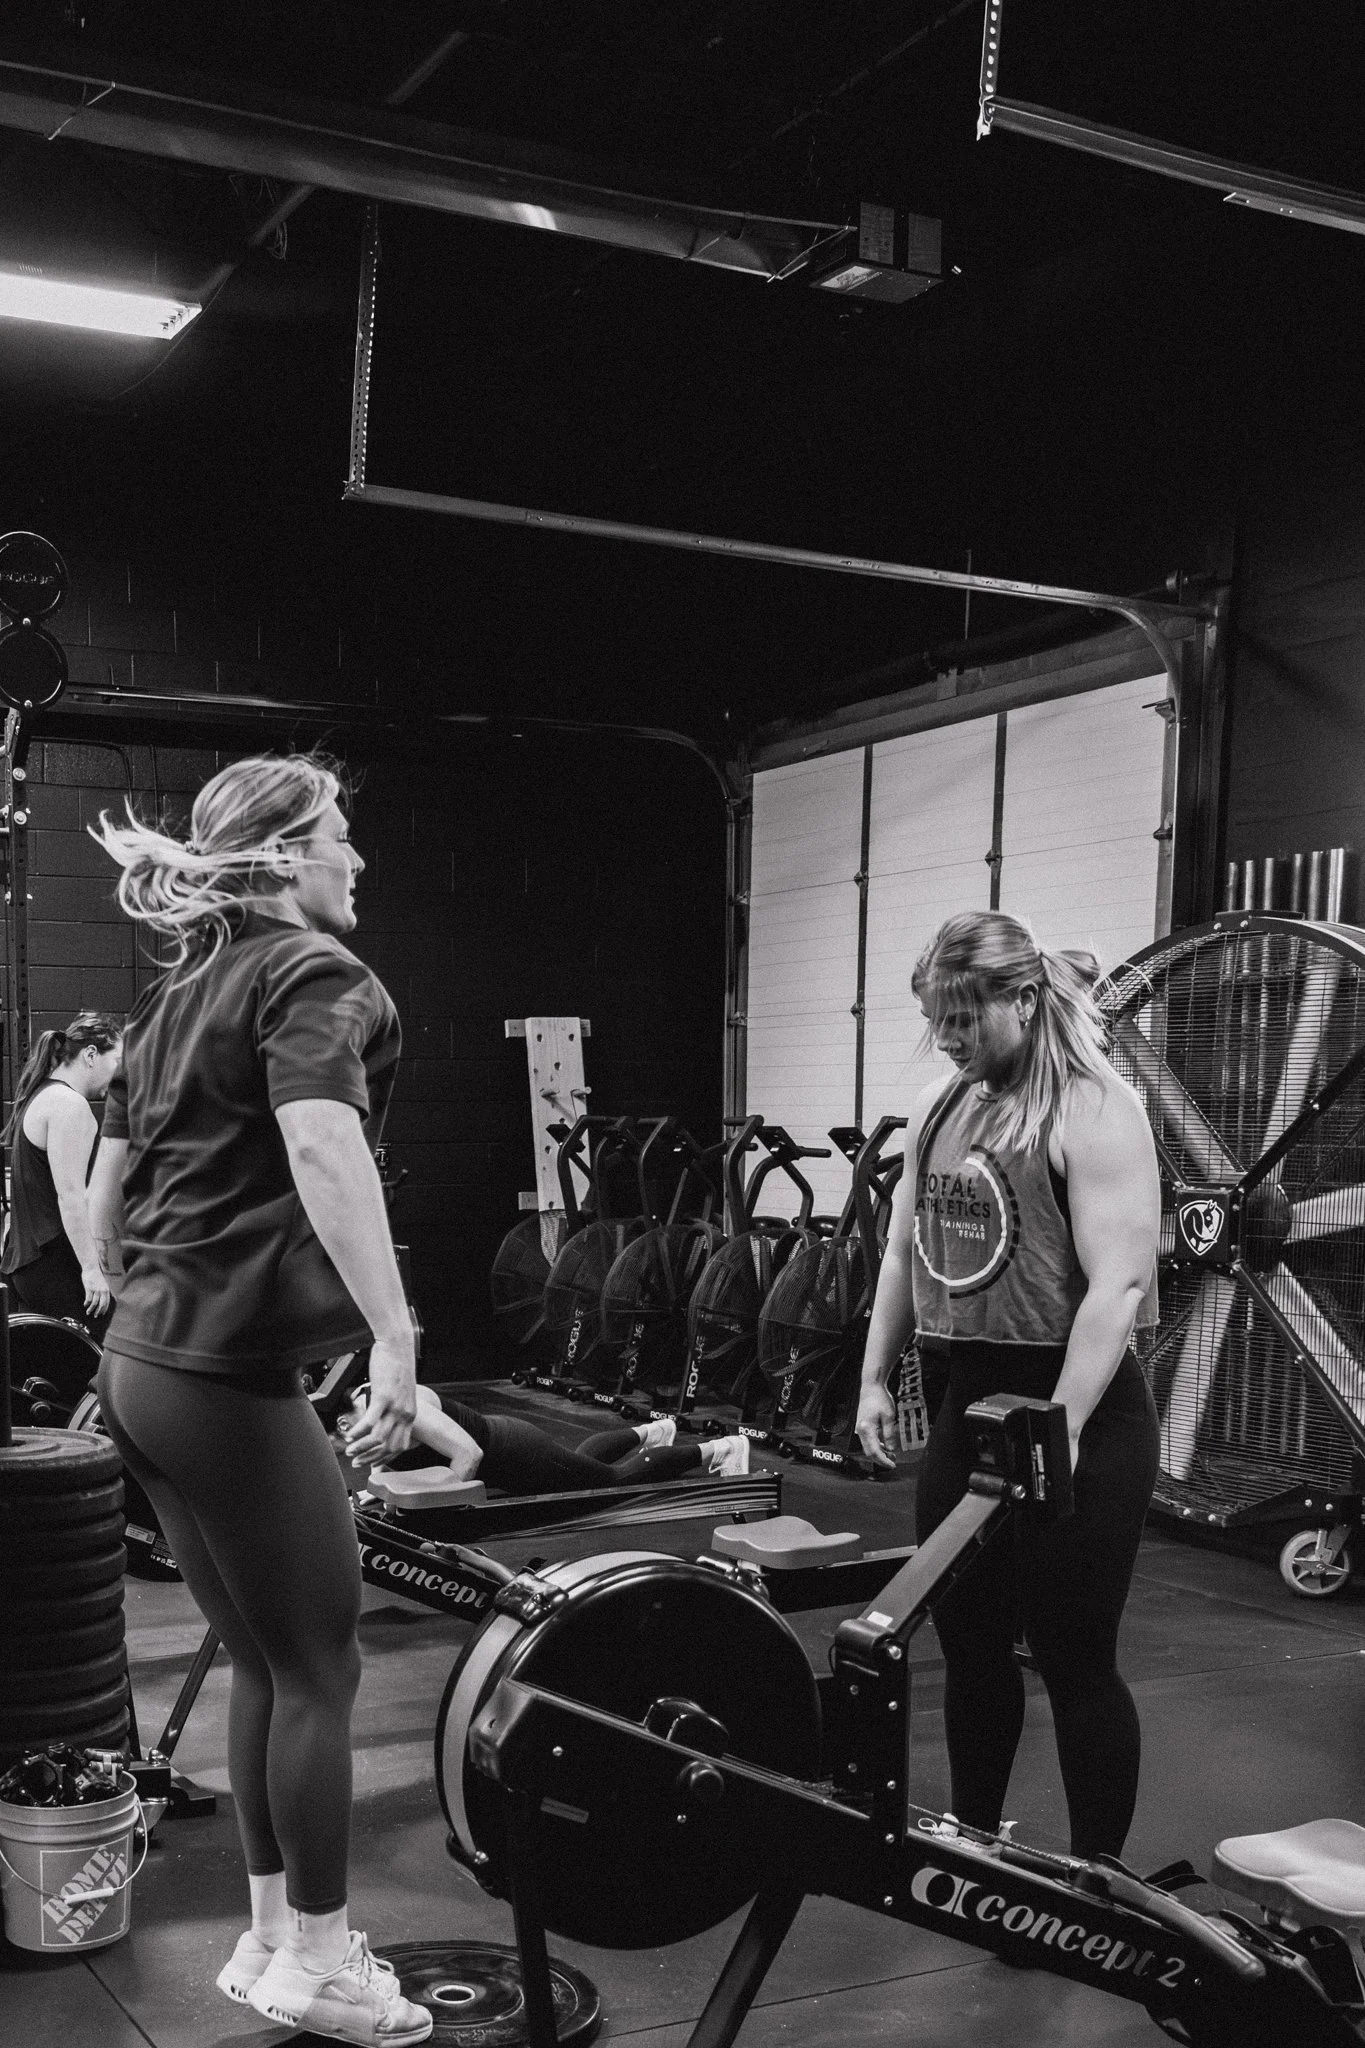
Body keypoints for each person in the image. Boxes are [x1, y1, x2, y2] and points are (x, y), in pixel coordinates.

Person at [86, 753, 431, 2047]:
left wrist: (118, 1272)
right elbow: (322, 1140)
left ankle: (273, 1942)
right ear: (285, 854)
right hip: (218, 1375)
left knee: (264, 1662)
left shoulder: (181, 988)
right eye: (340, 834)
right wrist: (394, 1333)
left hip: (145, 1364)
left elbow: (113, 1175)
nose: (358, 858)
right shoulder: (311, 971)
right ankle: (325, 1967)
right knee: (322, 1666)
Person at [854, 910, 1160, 1861]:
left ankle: (1097, 1881)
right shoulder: (945, 1106)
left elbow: (1118, 1284)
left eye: (963, 1020)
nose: (947, 1040)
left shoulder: (1093, 1107)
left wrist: (1060, 1427)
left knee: (1074, 1658)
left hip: (1081, 1410)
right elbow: (902, 1252)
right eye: (936, 1022)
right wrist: (872, 1379)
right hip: (972, 1403)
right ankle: (977, 1854)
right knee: (970, 1643)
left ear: (1022, 1001)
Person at [363, 1383, 750, 1489]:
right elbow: (381, 1470)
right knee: (584, 1462)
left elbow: (468, 1455)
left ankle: (720, 1449)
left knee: (612, 1482)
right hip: (513, 1448)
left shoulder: (403, 1409)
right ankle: (653, 1431)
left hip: (518, 1456)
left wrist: (445, 1520)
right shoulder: (371, 1400)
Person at [1, 1011, 123, 1329]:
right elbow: (71, 1199)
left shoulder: (40, 1096)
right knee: (114, 1350)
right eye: (117, 1061)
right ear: (91, 1055)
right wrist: (92, 1270)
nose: (119, 1073)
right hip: (54, 1266)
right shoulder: (70, 1106)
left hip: (25, 1267)